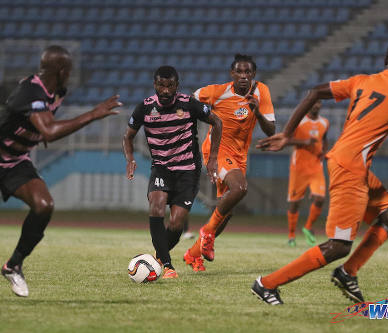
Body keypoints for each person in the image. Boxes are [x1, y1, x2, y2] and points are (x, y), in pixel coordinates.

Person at [252, 40, 388, 305]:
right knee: (339, 245)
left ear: (385, 60)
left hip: (350, 162)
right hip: (351, 167)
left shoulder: (362, 80)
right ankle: (267, 284)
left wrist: (287, 133)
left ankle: (348, 273)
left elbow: (314, 91)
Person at [0, 45, 123, 297]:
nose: (71, 74)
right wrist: (93, 114)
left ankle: (13, 265)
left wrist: (35, 134)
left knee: (44, 204)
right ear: (62, 70)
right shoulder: (30, 90)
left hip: (16, 161)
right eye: (69, 69)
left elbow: (38, 126)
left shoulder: (57, 90)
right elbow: (50, 132)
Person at [122, 66, 222, 279]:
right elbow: (127, 136)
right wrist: (130, 159)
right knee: (156, 207)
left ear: (177, 86)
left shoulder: (188, 104)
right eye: (161, 85)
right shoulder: (145, 108)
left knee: (177, 223)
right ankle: (168, 266)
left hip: (188, 170)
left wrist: (212, 158)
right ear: (154, 85)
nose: (165, 90)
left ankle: (156, 259)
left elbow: (217, 122)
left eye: (170, 86)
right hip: (161, 168)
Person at [183, 54, 276, 272]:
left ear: (253, 74)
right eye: (239, 72)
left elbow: (271, 130)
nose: (243, 76)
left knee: (226, 213)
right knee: (240, 187)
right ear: (232, 74)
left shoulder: (261, 91)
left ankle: (193, 254)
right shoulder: (217, 92)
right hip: (217, 151)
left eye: (248, 72)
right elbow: (190, 100)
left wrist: (257, 112)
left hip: (240, 155)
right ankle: (206, 233)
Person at [282, 101, 328, 247]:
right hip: (299, 169)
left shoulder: (325, 122)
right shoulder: (299, 121)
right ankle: (291, 235)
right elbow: (285, 140)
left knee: (320, 198)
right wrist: (305, 141)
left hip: (316, 167)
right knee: (294, 204)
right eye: (314, 103)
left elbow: (324, 139)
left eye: (319, 102)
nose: (316, 105)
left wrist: (324, 152)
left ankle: (308, 227)